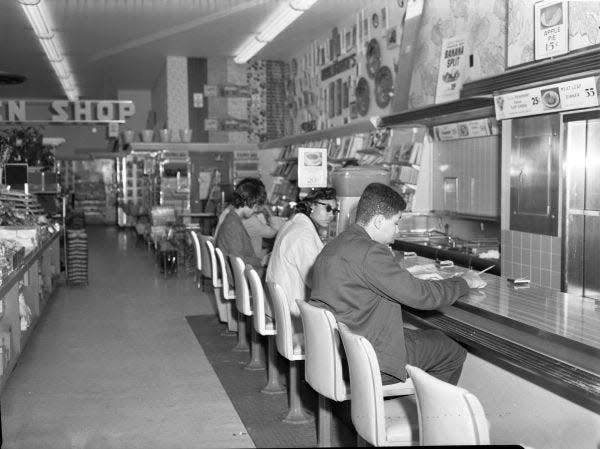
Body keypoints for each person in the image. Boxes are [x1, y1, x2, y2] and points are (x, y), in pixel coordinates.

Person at [309, 183, 485, 385]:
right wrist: (463, 282)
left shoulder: (336, 244)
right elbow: (421, 296)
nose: (398, 231)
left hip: (339, 352)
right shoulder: (371, 252)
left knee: (430, 336)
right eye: (396, 222)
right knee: (453, 351)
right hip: (369, 359)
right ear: (377, 221)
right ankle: (429, 415)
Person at [266, 187, 338, 324]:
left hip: (281, 303)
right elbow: (316, 281)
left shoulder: (294, 223)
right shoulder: (303, 235)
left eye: (334, 211)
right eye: (327, 208)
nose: (331, 215)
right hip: (293, 314)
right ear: (311, 205)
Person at [215, 178, 269, 280]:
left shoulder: (233, 218)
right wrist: (261, 262)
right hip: (239, 278)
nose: (255, 211)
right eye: (256, 207)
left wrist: (260, 261)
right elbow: (238, 260)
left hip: (237, 273)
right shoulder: (232, 224)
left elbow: (239, 256)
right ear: (249, 202)